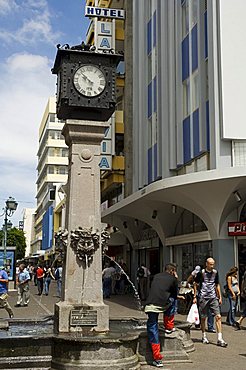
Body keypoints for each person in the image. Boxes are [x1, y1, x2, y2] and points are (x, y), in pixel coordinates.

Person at [144, 263, 178, 368]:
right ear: (172, 271)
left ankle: (157, 358)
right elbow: (175, 293)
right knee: (174, 300)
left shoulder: (156, 276)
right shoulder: (173, 279)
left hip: (150, 304)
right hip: (164, 305)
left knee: (153, 328)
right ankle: (169, 326)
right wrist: (176, 279)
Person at [193, 257, 227, 347]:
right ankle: (204, 335)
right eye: (210, 264)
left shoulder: (215, 273)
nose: (212, 266)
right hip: (203, 297)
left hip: (213, 297)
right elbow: (195, 283)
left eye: (213, 264)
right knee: (203, 317)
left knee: (218, 316)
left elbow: (217, 285)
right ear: (206, 264)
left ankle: (220, 338)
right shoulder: (201, 273)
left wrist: (219, 297)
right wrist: (195, 295)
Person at [187, 265, 215, 332]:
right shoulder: (195, 275)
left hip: (209, 295)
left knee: (210, 311)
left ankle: (209, 326)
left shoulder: (205, 275)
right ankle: (199, 324)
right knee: (201, 310)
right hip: (200, 294)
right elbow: (191, 282)